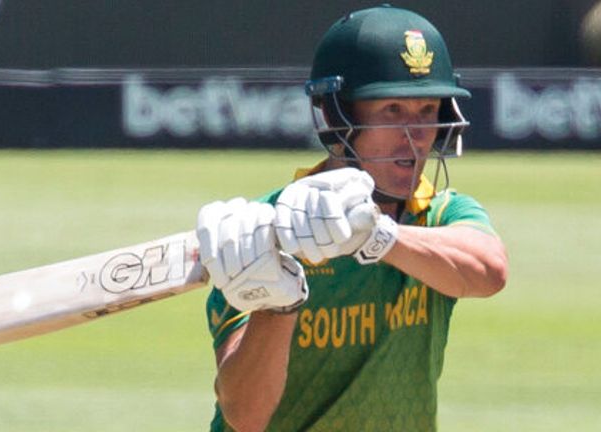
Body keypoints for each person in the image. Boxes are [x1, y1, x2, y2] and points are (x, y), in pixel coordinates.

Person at [195, 5, 509, 432]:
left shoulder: (437, 214)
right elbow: (245, 417)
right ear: (335, 114)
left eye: (427, 110)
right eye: (393, 110)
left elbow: (489, 270)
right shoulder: (263, 232)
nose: (415, 135)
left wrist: (377, 236)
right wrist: (276, 303)